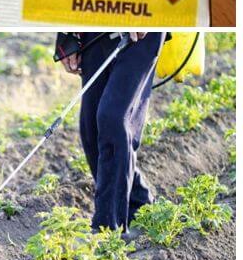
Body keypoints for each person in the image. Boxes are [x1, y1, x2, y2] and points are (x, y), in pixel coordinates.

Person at [55, 32, 165, 236]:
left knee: (114, 118)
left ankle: (107, 229)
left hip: (141, 29)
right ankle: (140, 204)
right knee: (91, 129)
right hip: (96, 26)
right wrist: (66, 38)